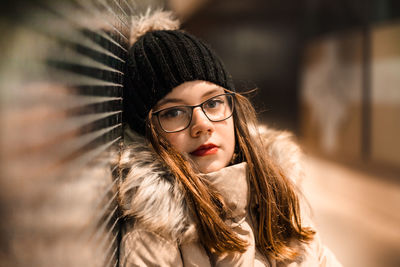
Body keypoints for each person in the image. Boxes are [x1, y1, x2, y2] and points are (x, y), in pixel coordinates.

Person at [118, 9, 342, 267]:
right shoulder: (154, 233)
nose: (202, 125)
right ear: (148, 131)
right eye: (174, 112)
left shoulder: (278, 192)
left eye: (213, 103)